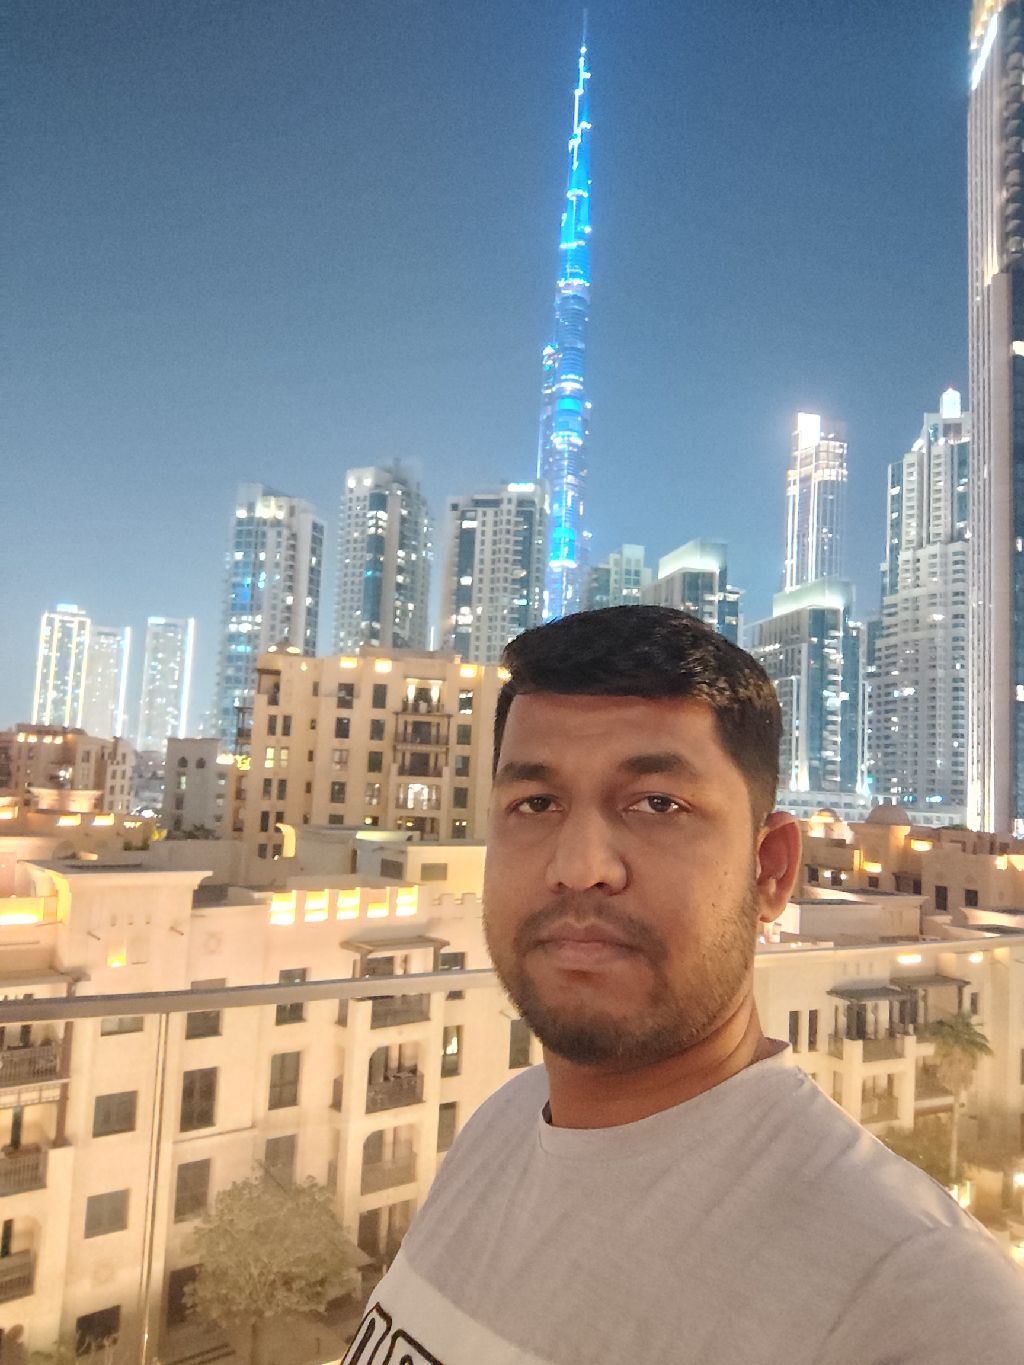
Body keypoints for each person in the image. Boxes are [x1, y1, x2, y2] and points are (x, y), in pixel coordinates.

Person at [343, 606, 1024, 1364]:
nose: (580, 865)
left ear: (770, 870)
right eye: (536, 804)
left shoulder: (919, 1302)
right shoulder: (500, 1125)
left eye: (658, 804)